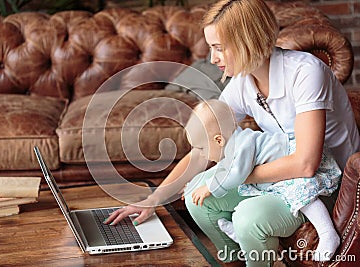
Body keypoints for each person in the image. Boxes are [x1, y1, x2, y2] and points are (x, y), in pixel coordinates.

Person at [105, 0, 360, 265]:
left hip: (327, 183)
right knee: (197, 197)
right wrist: (154, 198)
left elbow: (306, 164)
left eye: (219, 48)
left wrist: (234, 176)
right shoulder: (243, 83)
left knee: (247, 217)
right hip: (284, 178)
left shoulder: (306, 72)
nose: (213, 58)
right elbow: (205, 145)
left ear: (247, 41)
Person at [185, 99, 340, 261]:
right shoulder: (231, 145)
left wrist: (210, 186)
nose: (201, 154)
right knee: (266, 189)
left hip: (294, 164)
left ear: (219, 140)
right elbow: (224, 168)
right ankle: (241, 235)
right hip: (277, 174)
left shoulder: (242, 145)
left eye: (201, 149)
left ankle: (327, 232)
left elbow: (236, 174)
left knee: (302, 194)